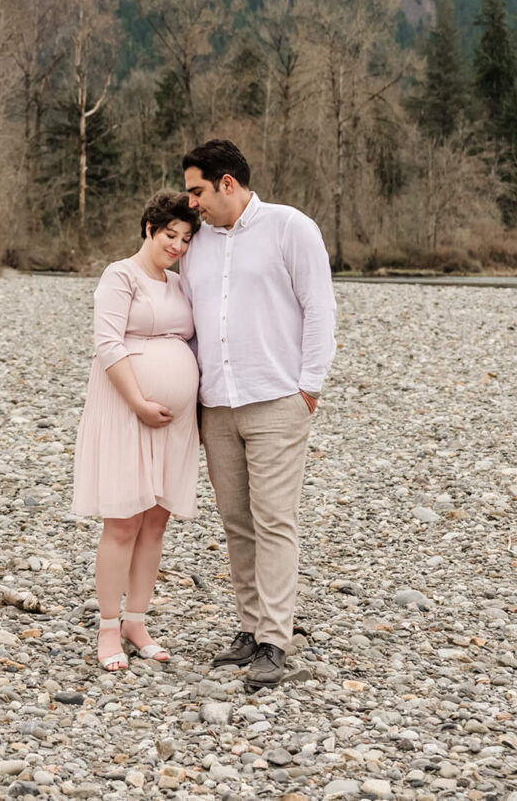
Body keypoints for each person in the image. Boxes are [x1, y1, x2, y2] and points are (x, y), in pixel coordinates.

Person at [179, 139, 336, 689]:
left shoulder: (291, 228)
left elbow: (320, 307)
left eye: (197, 190)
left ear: (227, 183)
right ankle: (249, 628)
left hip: (276, 401)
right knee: (236, 521)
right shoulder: (196, 244)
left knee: (274, 520)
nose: (191, 203)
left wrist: (308, 389)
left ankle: (274, 639)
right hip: (217, 406)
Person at [71, 191, 202, 671]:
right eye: (170, 235)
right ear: (149, 227)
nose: (177, 246)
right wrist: (139, 403)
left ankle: (136, 621)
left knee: (155, 522)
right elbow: (107, 344)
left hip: (174, 423)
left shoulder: (180, 284)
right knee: (123, 521)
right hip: (127, 411)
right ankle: (108, 627)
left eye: (185, 239)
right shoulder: (120, 276)